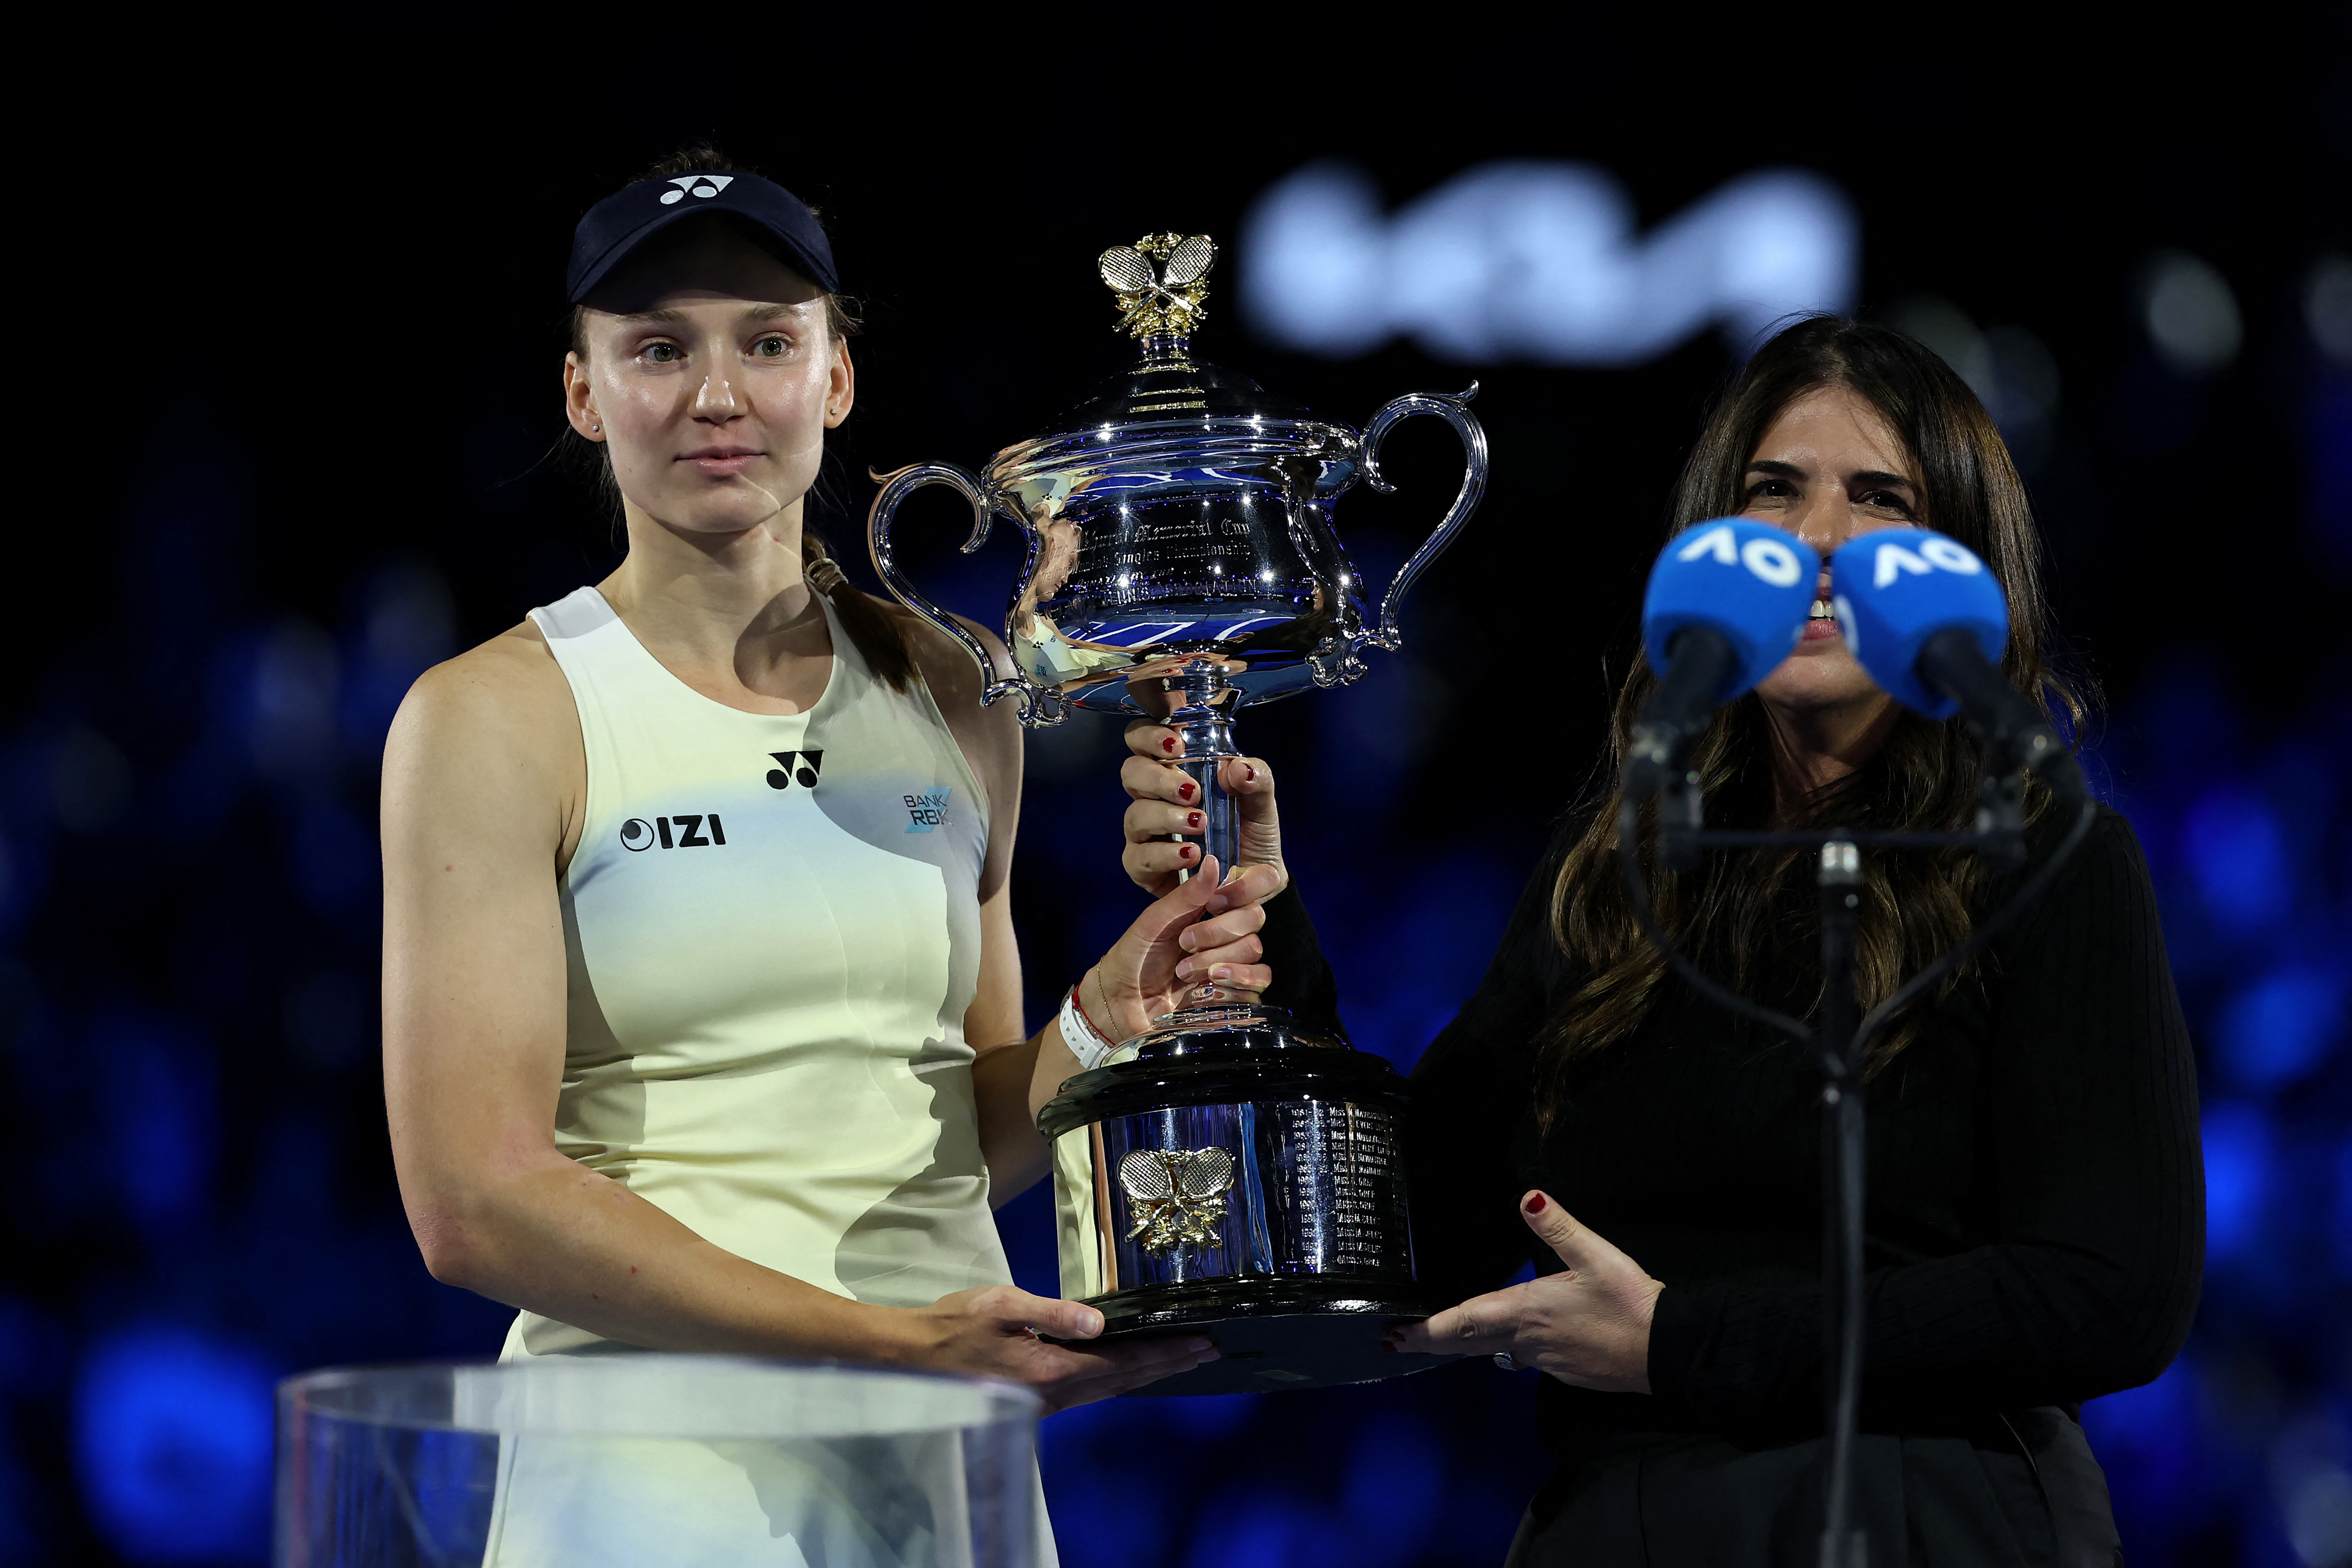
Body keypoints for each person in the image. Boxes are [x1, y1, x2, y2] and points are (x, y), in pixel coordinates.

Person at [1114, 316, 2200, 1567]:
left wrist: (1682, 1342)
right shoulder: (1614, 882)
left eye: (1880, 500)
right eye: (1773, 493)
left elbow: (2111, 1290)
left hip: (1921, 1514)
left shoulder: (2051, 866)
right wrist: (1261, 928)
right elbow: (1424, 1232)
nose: (1816, 542)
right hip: (1623, 1521)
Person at [378, 147, 1280, 1566]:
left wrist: (1106, 1019)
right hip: (652, 1475)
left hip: (941, 1460)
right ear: (582, 392)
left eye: (767, 342)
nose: (716, 394)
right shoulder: (494, 715)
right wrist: (886, 1344)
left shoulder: (957, 685)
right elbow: (473, 1202)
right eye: (658, 348)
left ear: (836, 377)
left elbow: (963, 1132)